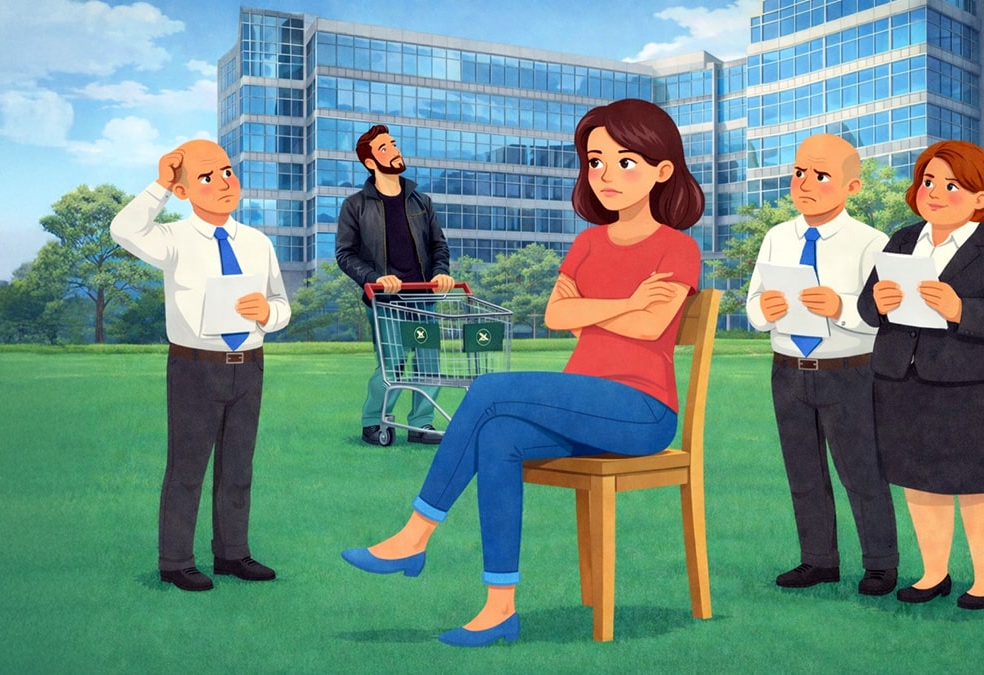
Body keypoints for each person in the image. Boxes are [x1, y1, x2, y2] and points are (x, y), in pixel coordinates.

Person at [340, 99, 703, 646]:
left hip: (642, 412)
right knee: (502, 436)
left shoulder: (677, 246)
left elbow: (653, 325)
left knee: (489, 390)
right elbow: (559, 316)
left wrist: (603, 306)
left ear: (663, 171)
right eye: (595, 161)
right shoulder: (586, 242)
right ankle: (499, 607)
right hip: (583, 402)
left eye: (625, 162)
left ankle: (414, 536)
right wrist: (624, 301)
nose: (604, 175)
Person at [857, 139, 984, 610]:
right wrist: (877, 304)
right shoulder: (901, 239)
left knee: (983, 486)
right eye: (928, 181)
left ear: (981, 197)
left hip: (983, 390)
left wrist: (961, 309)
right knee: (919, 483)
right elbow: (867, 304)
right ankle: (934, 573)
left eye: (951, 184)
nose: (934, 192)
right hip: (905, 384)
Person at [111, 140, 291, 592]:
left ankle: (232, 553)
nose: (224, 185)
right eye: (207, 178)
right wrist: (158, 185)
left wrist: (268, 314)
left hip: (249, 365)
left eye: (227, 172)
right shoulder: (171, 238)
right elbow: (123, 230)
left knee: (238, 466)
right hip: (195, 367)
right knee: (187, 467)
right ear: (184, 190)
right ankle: (175, 561)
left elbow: (282, 304)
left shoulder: (257, 242)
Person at [744, 133, 899, 596]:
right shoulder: (776, 237)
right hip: (788, 371)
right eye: (798, 173)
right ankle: (818, 560)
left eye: (821, 175)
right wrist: (763, 311)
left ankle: (880, 564)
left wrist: (841, 306)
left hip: (850, 371)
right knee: (803, 472)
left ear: (853, 187)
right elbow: (751, 303)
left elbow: (888, 316)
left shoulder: (872, 243)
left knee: (862, 471)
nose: (805, 183)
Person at [336, 124, 454, 445]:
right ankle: (374, 421)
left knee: (428, 363)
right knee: (394, 364)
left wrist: (441, 272)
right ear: (371, 162)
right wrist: (375, 278)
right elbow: (345, 255)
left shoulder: (421, 202)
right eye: (385, 148)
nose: (395, 151)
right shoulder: (356, 206)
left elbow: (438, 246)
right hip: (385, 301)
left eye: (394, 144)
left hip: (424, 297)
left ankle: (421, 425)